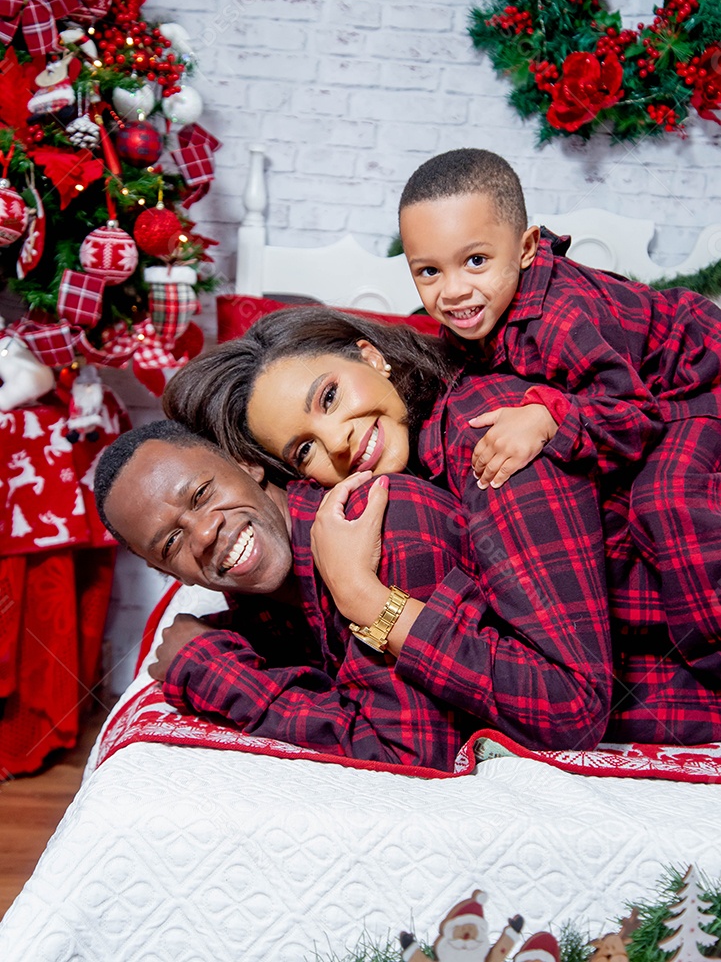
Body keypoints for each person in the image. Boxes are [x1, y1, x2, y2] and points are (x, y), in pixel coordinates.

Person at [164, 307, 721, 743]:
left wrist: (366, 600)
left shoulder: (490, 443)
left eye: (329, 396)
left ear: (373, 357)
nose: (337, 441)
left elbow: (572, 708)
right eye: (304, 447)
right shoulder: (397, 485)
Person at [94, 420, 613, 765]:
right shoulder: (260, 594)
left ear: (246, 463)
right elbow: (330, 683)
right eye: (172, 541)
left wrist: (213, 670)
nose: (205, 533)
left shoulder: (375, 519)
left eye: (203, 494)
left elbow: (408, 753)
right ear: (167, 571)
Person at [398, 148, 721, 683]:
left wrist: (549, 417)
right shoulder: (476, 317)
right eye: (429, 271)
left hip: (698, 382)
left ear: (525, 248)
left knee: (665, 500)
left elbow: (631, 414)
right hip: (649, 388)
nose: (453, 290)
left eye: (475, 261)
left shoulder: (561, 317)